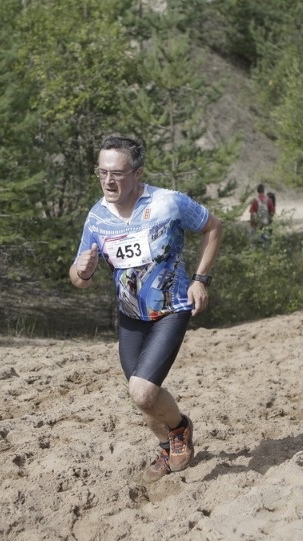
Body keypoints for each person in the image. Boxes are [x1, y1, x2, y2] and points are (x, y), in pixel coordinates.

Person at [70, 135, 222, 482]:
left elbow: (213, 227)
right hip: (130, 316)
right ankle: (168, 449)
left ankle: (180, 428)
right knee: (142, 398)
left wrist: (201, 279)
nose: (109, 181)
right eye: (102, 172)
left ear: (137, 173)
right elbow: (78, 278)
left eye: (118, 173)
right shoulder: (96, 218)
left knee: (142, 390)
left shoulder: (168, 203)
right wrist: (83, 270)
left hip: (171, 308)